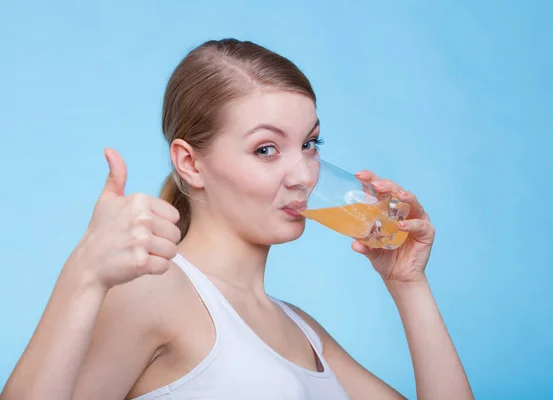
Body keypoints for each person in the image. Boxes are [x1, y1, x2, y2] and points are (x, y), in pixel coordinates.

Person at [1, 39, 473, 400]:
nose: (304, 176)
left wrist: (409, 284)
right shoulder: (155, 291)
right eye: (266, 149)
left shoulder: (301, 329)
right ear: (190, 163)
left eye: (310, 144)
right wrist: (83, 275)